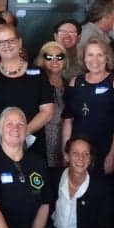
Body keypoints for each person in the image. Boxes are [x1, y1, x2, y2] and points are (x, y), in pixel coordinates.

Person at [0, 24, 54, 163]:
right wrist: (4, 132)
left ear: (20, 42)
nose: (7, 45)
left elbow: (47, 112)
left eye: (11, 40)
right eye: (1, 42)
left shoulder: (39, 74)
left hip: (31, 144)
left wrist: (22, 132)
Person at [61, 37, 114, 173]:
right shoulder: (75, 82)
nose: (94, 60)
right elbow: (68, 120)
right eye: (90, 55)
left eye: (100, 55)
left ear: (107, 58)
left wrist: (113, 153)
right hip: (79, 151)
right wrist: (65, 151)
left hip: (105, 148)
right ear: (84, 58)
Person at [34, 41, 68, 169]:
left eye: (59, 57)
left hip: (64, 140)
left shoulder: (70, 84)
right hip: (42, 140)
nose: (54, 60)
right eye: (49, 57)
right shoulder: (35, 84)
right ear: (42, 60)